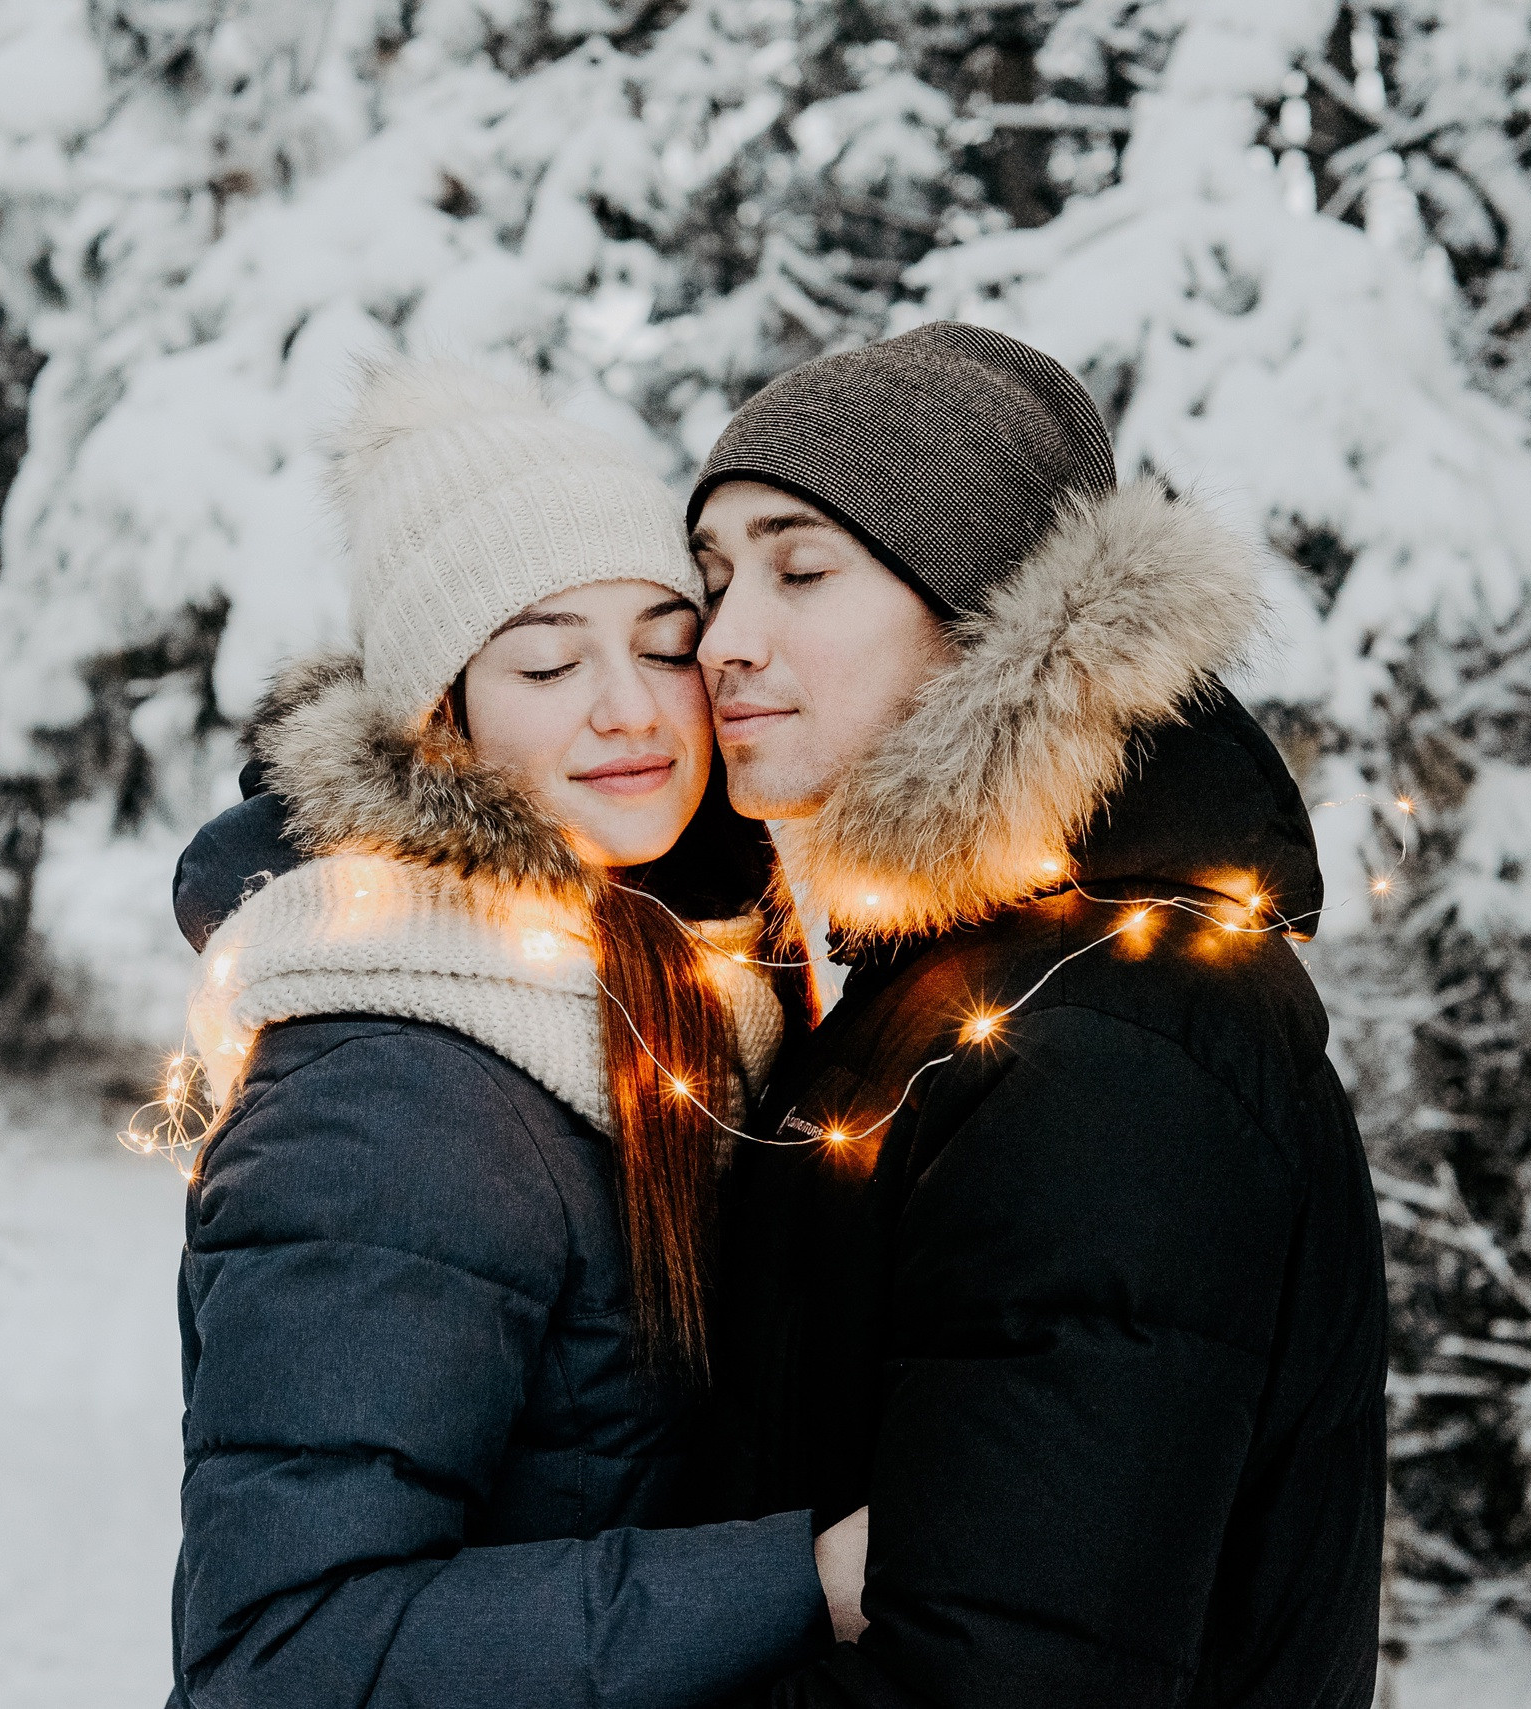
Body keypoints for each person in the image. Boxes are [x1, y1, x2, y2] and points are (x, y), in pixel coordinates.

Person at [681, 322, 1390, 1707]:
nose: (725, 641)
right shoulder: (968, 987)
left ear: (991, 609)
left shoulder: (1106, 1042)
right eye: (710, 582)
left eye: (800, 569)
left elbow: (999, 1674)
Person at [164, 361, 848, 1709]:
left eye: (664, 641)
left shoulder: (674, 990)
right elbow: (281, 1656)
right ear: (443, 716)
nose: (630, 706)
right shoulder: (393, 1084)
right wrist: (800, 1582)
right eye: (545, 658)